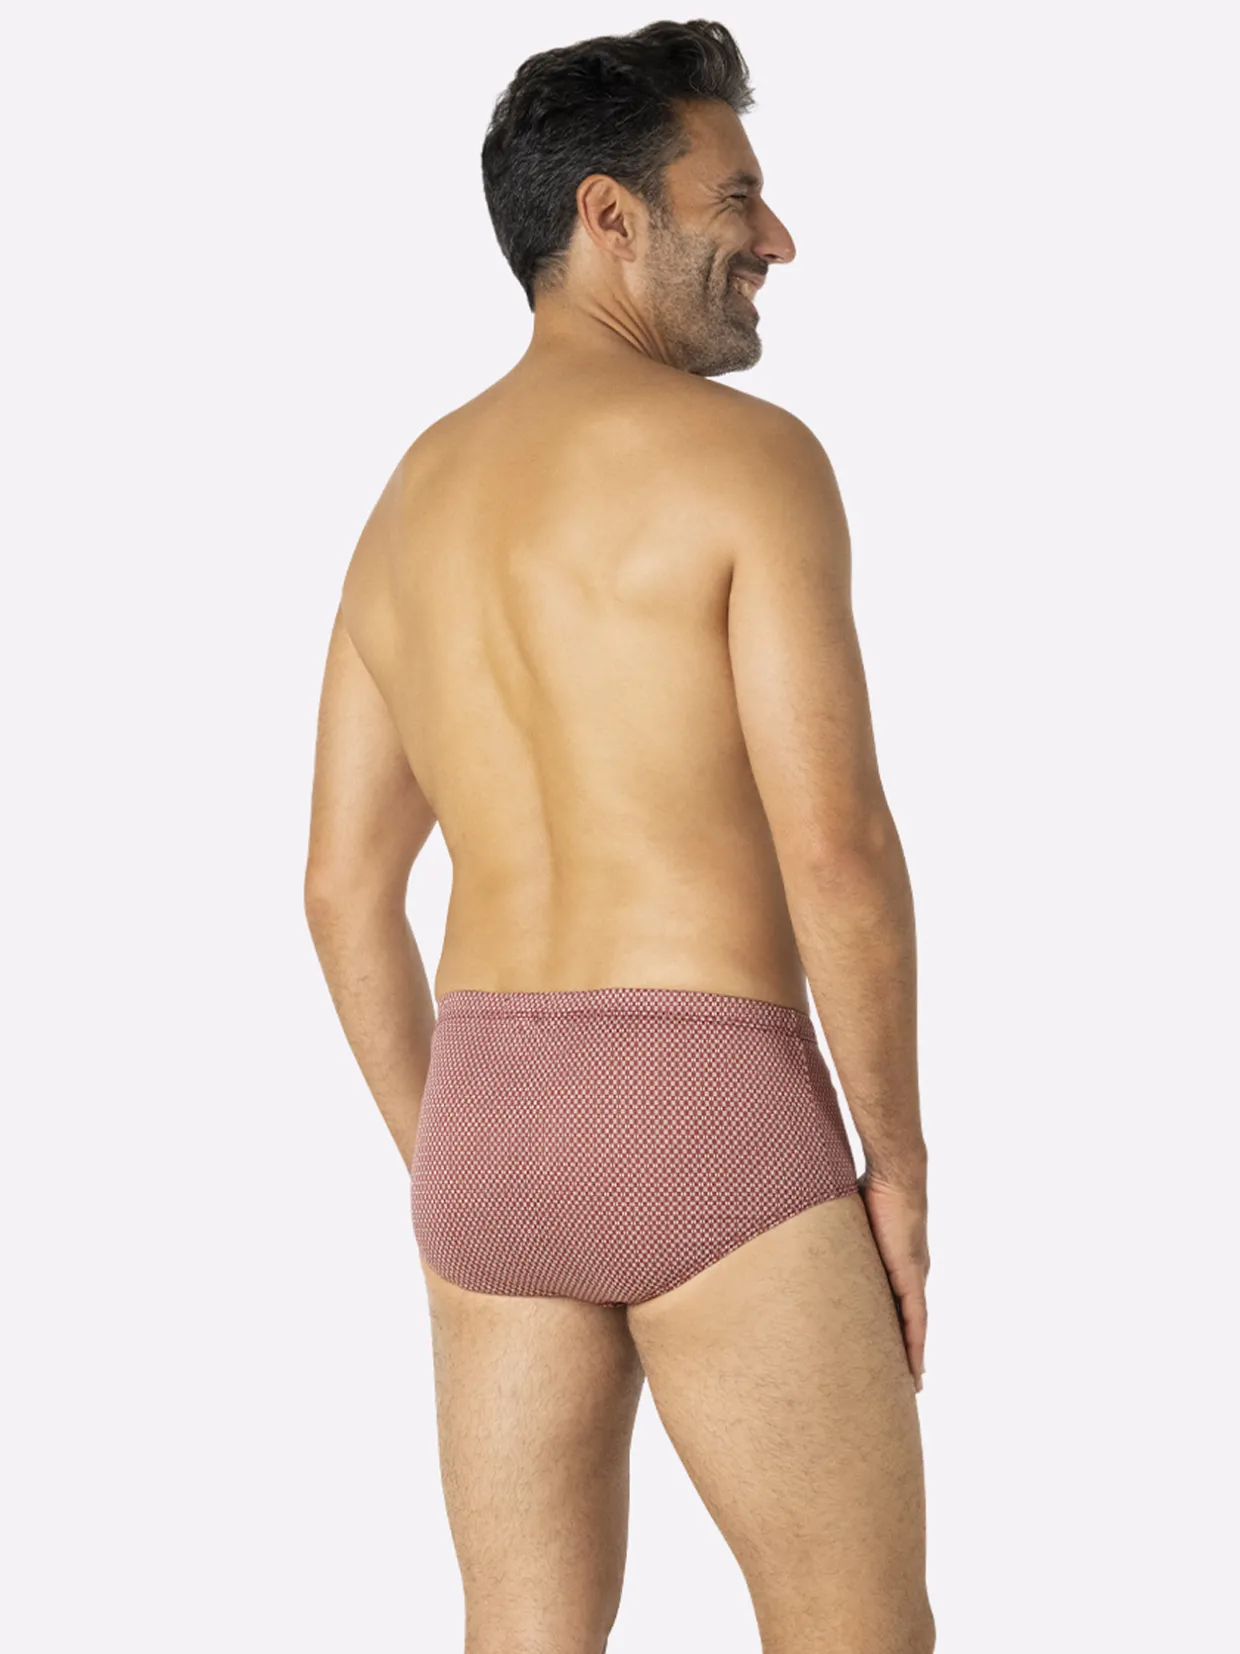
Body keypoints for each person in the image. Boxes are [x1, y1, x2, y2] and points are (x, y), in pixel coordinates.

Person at [305, 19, 934, 1653]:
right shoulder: (751, 464)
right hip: (708, 1102)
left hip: (486, 1131)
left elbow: (341, 888)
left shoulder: (408, 502)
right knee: (855, 1629)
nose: (777, 237)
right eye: (737, 196)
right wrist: (898, 1164)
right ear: (610, 216)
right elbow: (838, 847)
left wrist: (455, 1153)